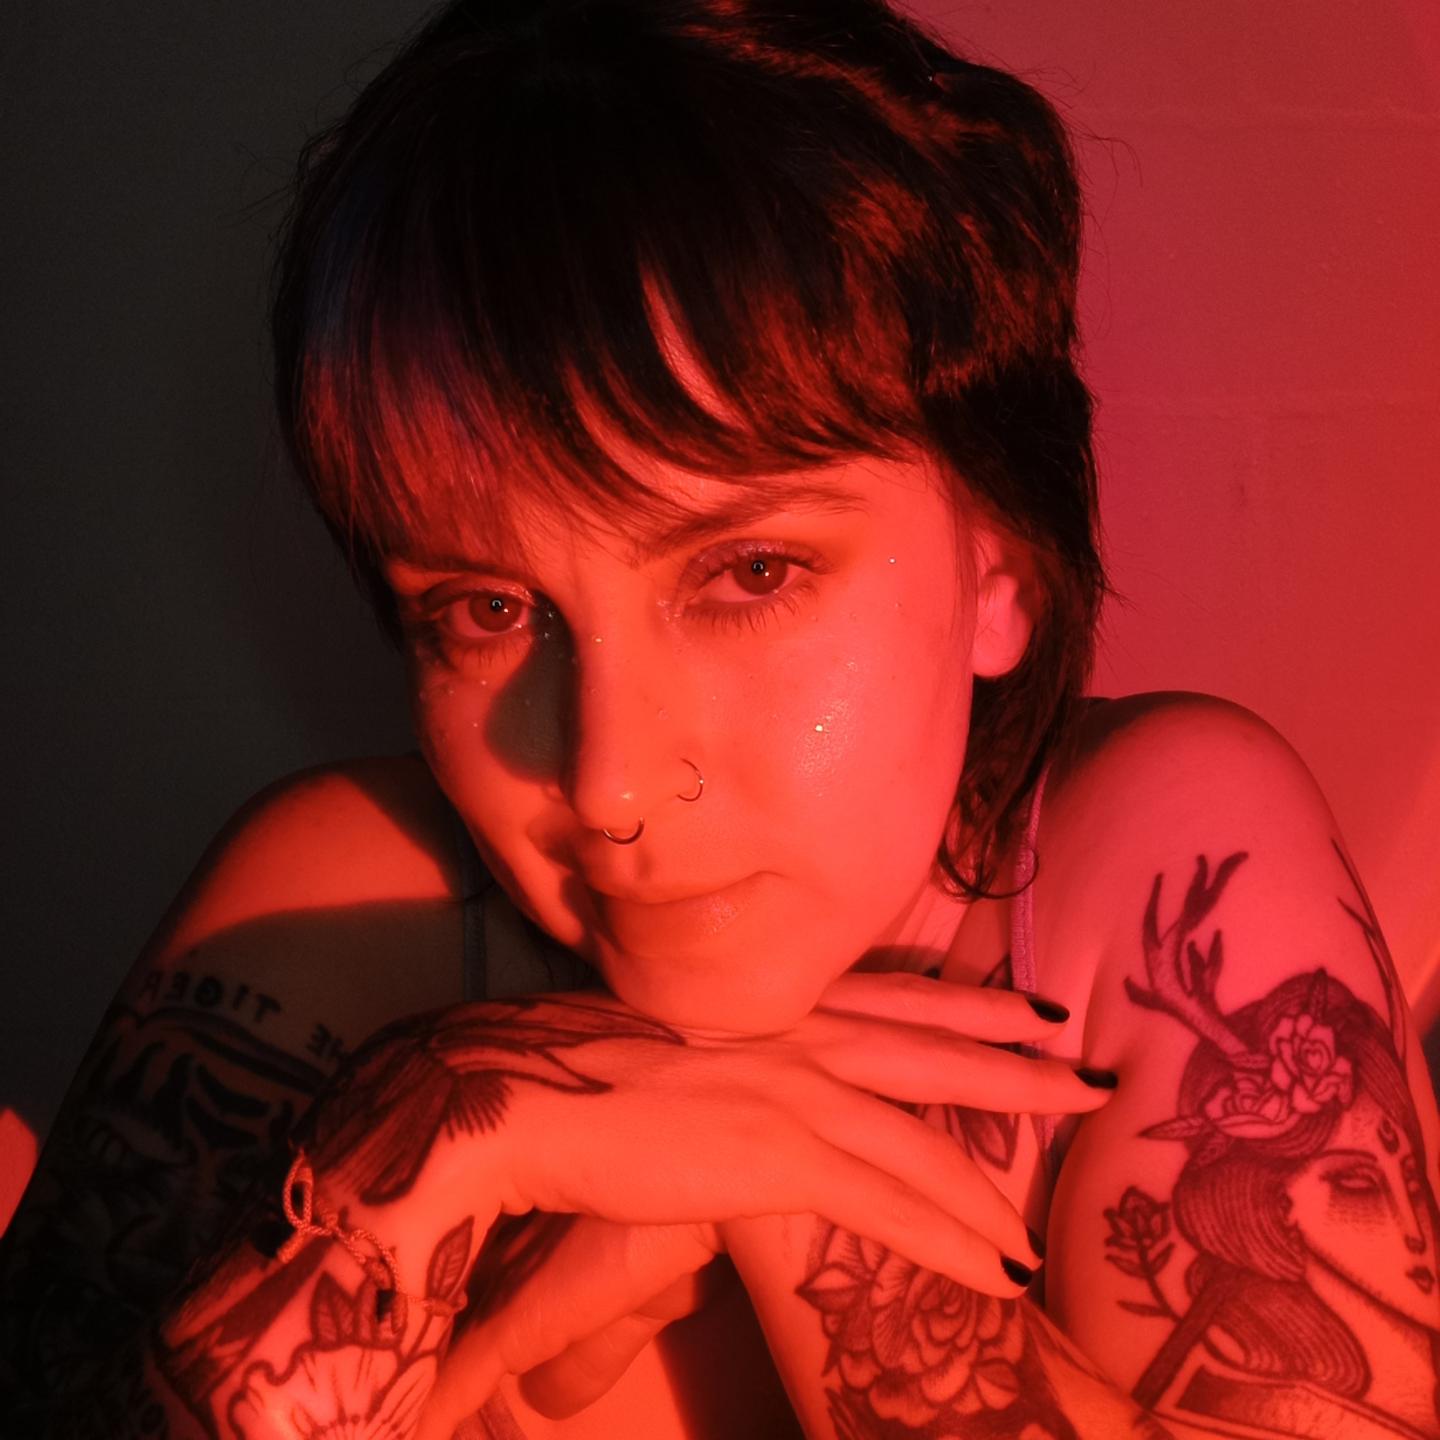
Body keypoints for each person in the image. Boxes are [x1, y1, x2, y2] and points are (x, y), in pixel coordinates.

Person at [1, 1, 1436, 1437]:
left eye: (750, 574)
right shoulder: (341, 914)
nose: (609, 783)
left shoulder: (1154, 873)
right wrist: (435, 1143)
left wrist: (790, 1183)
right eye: (488, 611)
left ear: (998, 560)